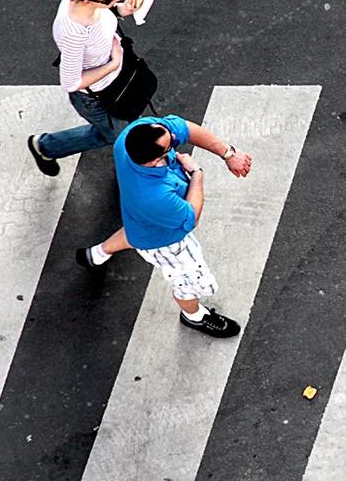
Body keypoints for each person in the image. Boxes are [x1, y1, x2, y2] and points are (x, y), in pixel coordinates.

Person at [76, 115, 253, 338]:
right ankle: (194, 316)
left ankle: (99, 253)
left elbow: (185, 128)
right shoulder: (154, 197)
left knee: (136, 232)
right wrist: (197, 174)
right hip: (166, 243)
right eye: (170, 144)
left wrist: (229, 154)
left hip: (139, 222)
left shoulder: (131, 136)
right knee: (187, 282)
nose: (176, 137)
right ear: (154, 160)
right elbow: (190, 218)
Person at [26, 0, 140, 176]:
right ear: (88, 0)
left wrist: (122, 9)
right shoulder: (74, 32)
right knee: (113, 134)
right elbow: (71, 82)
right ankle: (46, 146)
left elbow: (108, 12)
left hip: (118, 79)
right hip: (97, 96)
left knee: (126, 120)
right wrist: (112, 64)